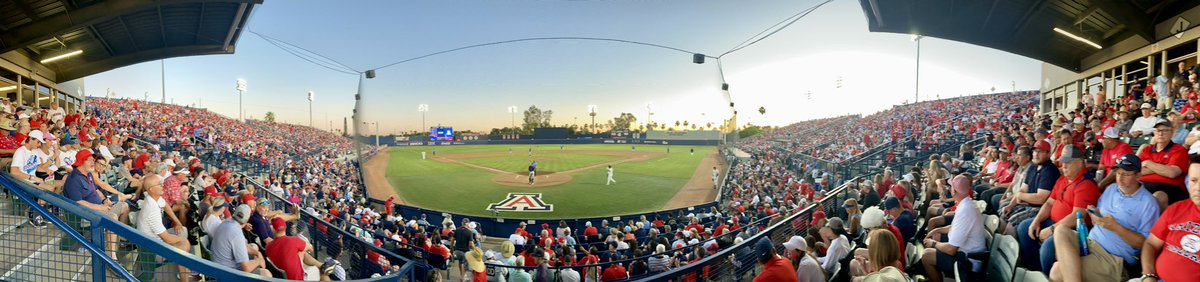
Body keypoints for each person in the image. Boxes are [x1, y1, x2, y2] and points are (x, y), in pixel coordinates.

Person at [1048, 154, 1159, 282]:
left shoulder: (1148, 203)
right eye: (1118, 173)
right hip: (1090, 242)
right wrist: (1094, 215)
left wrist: (1116, 227)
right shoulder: (1111, 189)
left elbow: (1146, 244)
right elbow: (1099, 213)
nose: (1120, 178)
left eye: (1126, 174)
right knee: (1061, 230)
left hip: (1113, 257)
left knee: (1057, 271)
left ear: (1138, 176)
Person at [1137, 150, 1200, 282]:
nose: (1197, 188)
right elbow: (1151, 244)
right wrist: (1149, 276)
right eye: (1194, 180)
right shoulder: (1177, 208)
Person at [920, 174, 987, 282]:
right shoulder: (965, 204)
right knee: (935, 235)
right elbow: (956, 227)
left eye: (951, 187)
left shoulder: (966, 210)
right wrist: (937, 230)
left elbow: (951, 250)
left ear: (954, 191)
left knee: (927, 255)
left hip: (969, 261)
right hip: (964, 251)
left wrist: (933, 243)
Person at [137, 171, 193, 281]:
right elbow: (166, 238)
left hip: (156, 239)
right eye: (159, 184)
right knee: (183, 246)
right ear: (152, 189)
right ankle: (184, 277)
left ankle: (184, 268)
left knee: (183, 230)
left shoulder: (153, 197)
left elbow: (166, 205)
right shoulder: (151, 209)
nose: (162, 185)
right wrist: (182, 241)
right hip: (152, 247)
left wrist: (177, 221)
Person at [1138, 119, 1190, 210]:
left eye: (1165, 130)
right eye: (1158, 130)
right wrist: (1162, 168)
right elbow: (1137, 171)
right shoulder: (1147, 149)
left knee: (1158, 196)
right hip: (1142, 185)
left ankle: (1157, 224)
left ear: (1172, 133)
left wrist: (1147, 163)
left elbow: (1172, 173)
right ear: (1154, 133)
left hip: (1169, 188)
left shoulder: (1179, 150)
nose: (1160, 134)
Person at [211, 204, 271, 277]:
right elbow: (246, 268)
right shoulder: (236, 232)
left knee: (253, 247)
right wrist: (259, 261)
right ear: (247, 220)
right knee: (266, 273)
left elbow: (244, 247)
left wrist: (257, 253)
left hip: (219, 267)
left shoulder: (227, 222)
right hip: (227, 273)